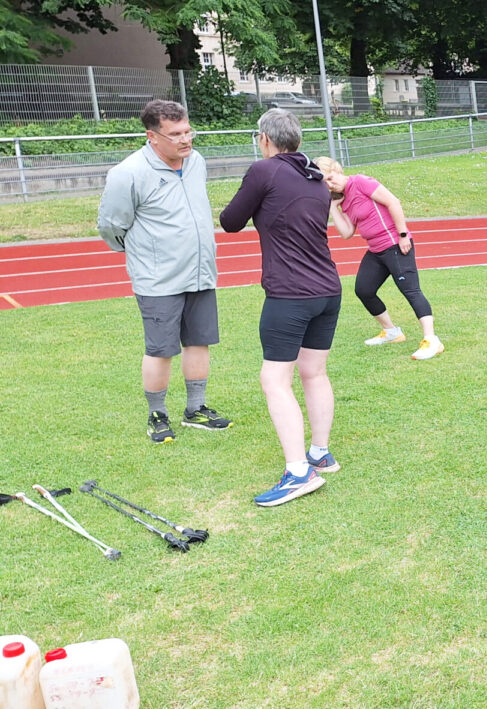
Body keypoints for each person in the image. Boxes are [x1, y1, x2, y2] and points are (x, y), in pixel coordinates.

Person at [219, 109, 343, 507]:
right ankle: (320, 452)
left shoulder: (265, 170)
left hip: (291, 293)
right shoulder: (314, 174)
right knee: (314, 372)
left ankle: (298, 472)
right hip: (328, 289)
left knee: (274, 379)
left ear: (264, 140)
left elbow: (230, 221)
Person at [98, 99, 232, 444]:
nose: (185, 139)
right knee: (161, 349)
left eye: (188, 131)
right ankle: (157, 414)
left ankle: (196, 408)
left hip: (200, 271)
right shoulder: (128, 173)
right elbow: (111, 225)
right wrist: (146, 254)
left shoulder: (196, 161)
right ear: (152, 136)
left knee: (199, 341)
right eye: (175, 134)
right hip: (158, 279)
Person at [312, 156, 444, 361]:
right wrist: (332, 208)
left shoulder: (361, 182)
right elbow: (347, 233)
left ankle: (432, 340)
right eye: (325, 183)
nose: (330, 185)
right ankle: (392, 332)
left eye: (330, 178)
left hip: (395, 244)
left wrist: (402, 235)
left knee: (410, 290)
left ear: (337, 170)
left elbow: (393, 202)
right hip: (376, 250)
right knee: (364, 290)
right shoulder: (344, 198)